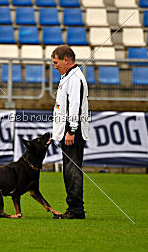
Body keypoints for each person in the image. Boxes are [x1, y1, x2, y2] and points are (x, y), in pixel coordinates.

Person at [51, 45, 89, 219]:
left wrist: (71, 130)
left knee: (72, 170)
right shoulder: (68, 76)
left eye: (56, 62)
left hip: (72, 131)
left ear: (66, 60)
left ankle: (75, 210)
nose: (54, 66)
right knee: (69, 170)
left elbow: (75, 106)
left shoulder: (74, 78)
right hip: (69, 129)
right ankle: (73, 208)